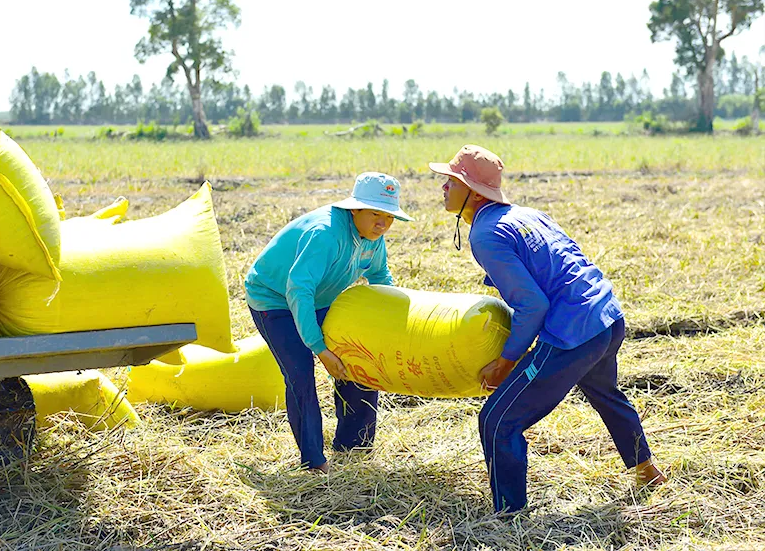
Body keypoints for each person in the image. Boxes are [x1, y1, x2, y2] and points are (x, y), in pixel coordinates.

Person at [428, 144, 666, 513]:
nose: (443, 187)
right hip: (606, 316)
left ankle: (510, 517)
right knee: (605, 393)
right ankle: (647, 470)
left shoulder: (486, 234)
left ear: (473, 193)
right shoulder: (527, 214)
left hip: (572, 332)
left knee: (497, 419)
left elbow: (533, 304)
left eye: (451, 181)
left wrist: (507, 360)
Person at [245, 172, 413, 473]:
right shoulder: (325, 234)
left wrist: (397, 323)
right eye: (376, 214)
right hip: (275, 299)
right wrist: (320, 349)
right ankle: (313, 462)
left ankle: (354, 445)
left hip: (322, 297)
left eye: (389, 217)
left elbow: (381, 280)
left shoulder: (373, 239)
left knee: (358, 358)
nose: (383, 224)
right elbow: (299, 290)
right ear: (355, 209)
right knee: (300, 374)